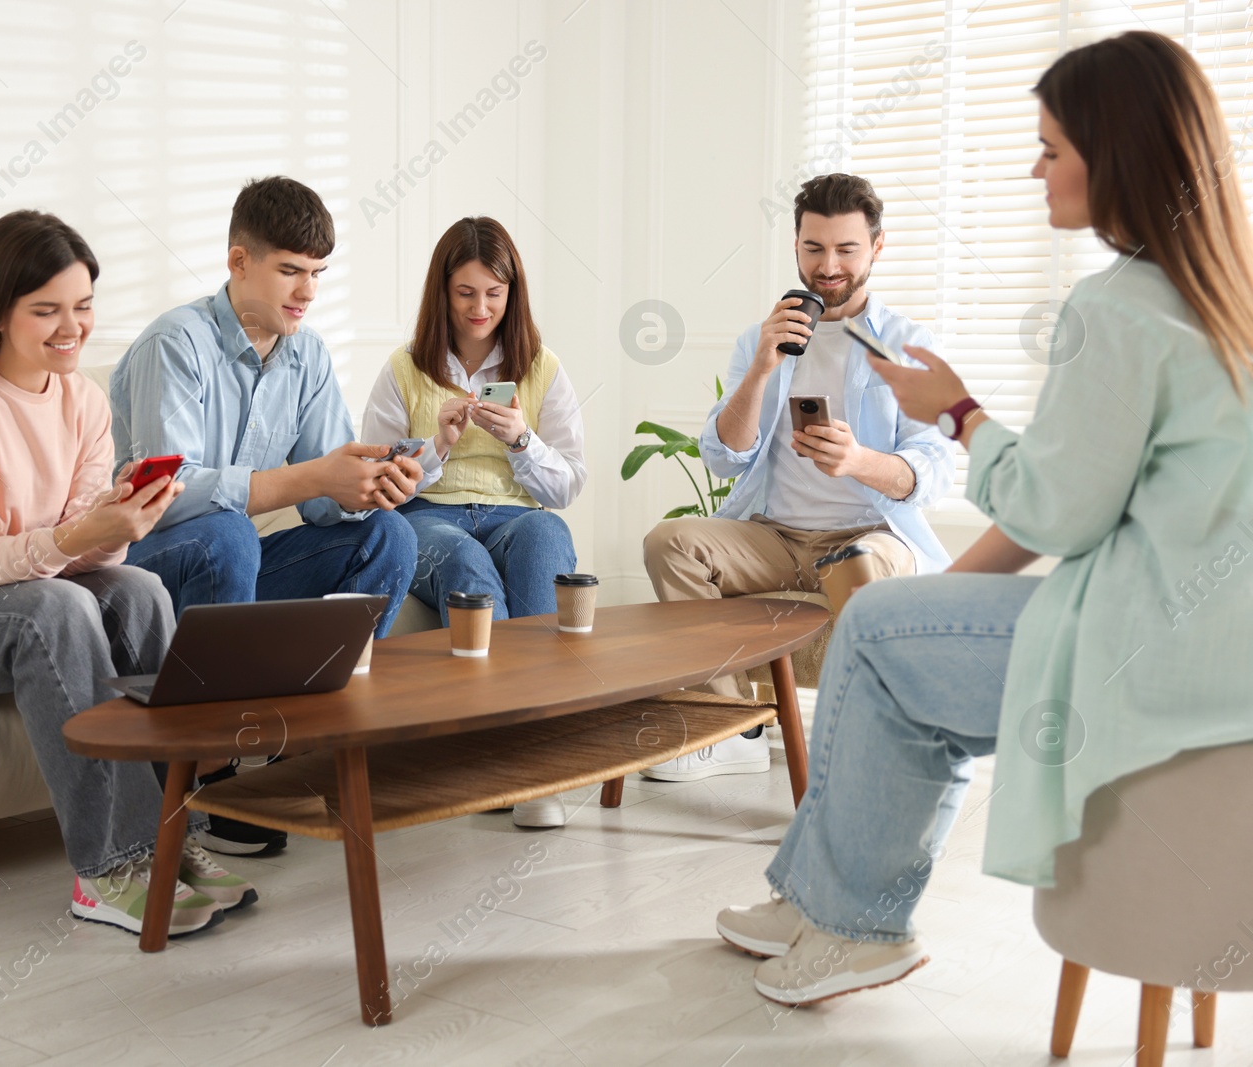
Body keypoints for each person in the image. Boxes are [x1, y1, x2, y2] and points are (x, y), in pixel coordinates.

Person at [715, 30, 1253, 1006]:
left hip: (1140, 643)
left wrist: (958, 412)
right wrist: (943, 591)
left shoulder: (1118, 306)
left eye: (1051, 146)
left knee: (873, 630)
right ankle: (815, 895)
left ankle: (857, 924)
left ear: (1116, 149)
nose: (1034, 166)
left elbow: (1056, 501)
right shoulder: (1224, 291)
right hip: (1212, 640)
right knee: (891, 623)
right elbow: (1080, 502)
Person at [0, 210, 255, 939]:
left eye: (83, 306)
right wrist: (79, 532)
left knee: (143, 590)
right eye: (47, 310)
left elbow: (86, 558)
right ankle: (111, 868)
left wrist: (120, 524)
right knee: (49, 611)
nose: (72, 326)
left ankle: (175, 844)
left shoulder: (84, 400)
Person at [110, 176, 419, 855]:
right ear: (239, 262)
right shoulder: (176, 344)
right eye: (290, 271)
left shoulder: (307, 354)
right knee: (223, 535)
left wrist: (365, 485)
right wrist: (316, 474)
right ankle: (212, 783)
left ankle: (297, 753)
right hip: (145, 572)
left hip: (233, 574)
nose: (307, 291)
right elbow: (165, 497)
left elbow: (317, 499)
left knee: (390, 537)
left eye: (316, 273)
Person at [640, 173, 955, 783]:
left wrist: (857, 460)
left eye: (846, 249)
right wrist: (760, 369)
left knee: (864, 564)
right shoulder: (762, 340)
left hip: (867, 534)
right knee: (668, 543)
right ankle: (733, 728)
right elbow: (725, 456)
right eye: (813, 249)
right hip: (774, 537)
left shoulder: (910, 345)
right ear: (795, 246)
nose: (828, 265)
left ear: (877, 247)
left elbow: (933, 470)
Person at [362, 216, 587, 829]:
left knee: (546, 538)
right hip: (429, 518)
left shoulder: (542, 368)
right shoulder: (405, 369)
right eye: (465, 293)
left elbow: (567, 484)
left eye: (493, 293)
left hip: (518, 514)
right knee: (467, 562)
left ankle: (538, 758)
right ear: (443, 293)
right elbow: (375, 478)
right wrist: (436, 443)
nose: (480, 308)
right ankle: (505, 749)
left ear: (512, 293)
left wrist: (523, 442)